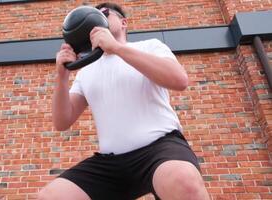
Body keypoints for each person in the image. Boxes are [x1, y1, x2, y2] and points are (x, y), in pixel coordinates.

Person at [39, 2, 210, 200]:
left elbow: (179, 80)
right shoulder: (86, 71)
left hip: (159, 150)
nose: (96, 17)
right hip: (111, 163)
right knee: (52, 196)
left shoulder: (149, 46)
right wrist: (62, 76)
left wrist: (116, 48)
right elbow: (62, 122)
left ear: (123, 23)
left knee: (183, 181)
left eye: (103, 13)